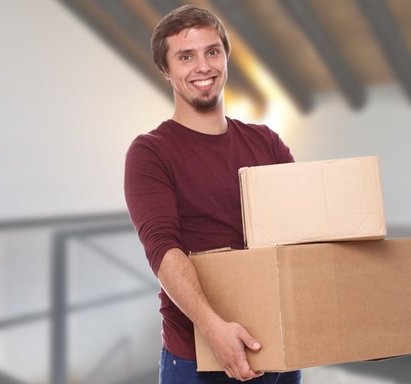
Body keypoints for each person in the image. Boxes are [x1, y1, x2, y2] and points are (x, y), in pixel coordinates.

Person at [124, 5, 301, 383]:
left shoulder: (265, 142)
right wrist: (212, 328)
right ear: (165, 70)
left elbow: (305, 230)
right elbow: (162, 248)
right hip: (199, 359)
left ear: (226, 57)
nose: (203, 67)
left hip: (279, 351)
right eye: (185, 56)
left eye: (212, 52)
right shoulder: (150, 152)